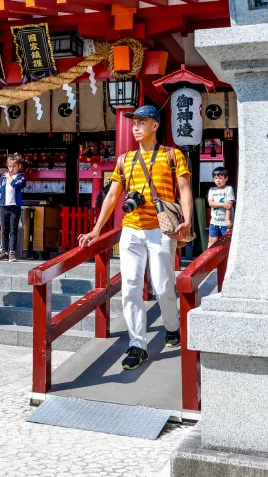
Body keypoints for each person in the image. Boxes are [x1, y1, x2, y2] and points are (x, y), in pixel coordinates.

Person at [78, 105, 193, 371]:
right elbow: (112, 196)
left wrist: (187, 220)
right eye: (133, 123)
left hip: (161, 229)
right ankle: (137, 344)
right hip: (131, 230)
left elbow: (185, 189)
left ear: (155, 125)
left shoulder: (172, 155)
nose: (136, 127)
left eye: (142, 122)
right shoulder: (124, 160)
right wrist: (97, 229)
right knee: (130, 287)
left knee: (164, 286)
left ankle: (172, 327)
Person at [0, 154, 26, 261]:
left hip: (14, 206)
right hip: (4, 206)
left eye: (13, 166)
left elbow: (16, 185)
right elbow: (0, 191)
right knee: (4, 229)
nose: (11, 169)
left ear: (19, 166)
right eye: (9, 166)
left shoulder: (21, 177)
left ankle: (12, 252)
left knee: (13, 229)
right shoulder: (2, 178)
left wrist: (9, 177)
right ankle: (4, 251)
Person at [207, 167, 235, 246]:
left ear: (226, 178)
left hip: (225, 223)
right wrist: (223, 204)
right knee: (211, 243)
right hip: (214, 222)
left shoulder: (229, 189)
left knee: (226, 244)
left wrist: (228, 220)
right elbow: (210, 203)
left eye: (220, 178)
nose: (218, 180)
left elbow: (229, 205)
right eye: (216, 178)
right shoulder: (212, 190)